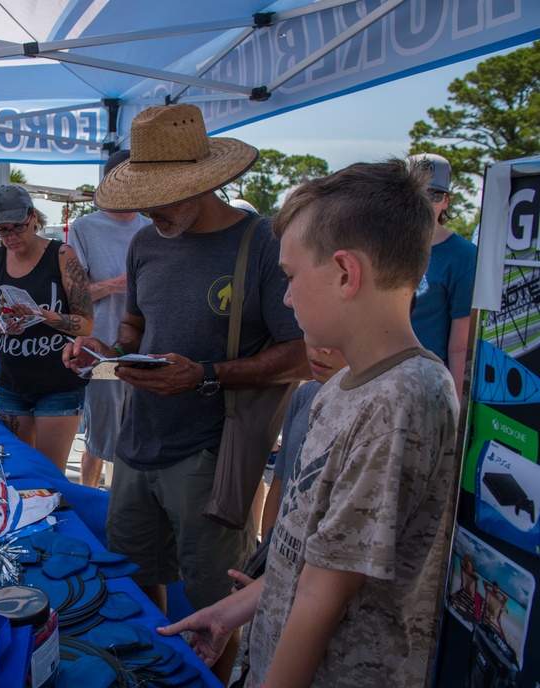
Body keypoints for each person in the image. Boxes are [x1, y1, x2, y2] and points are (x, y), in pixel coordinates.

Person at [159, 159, 459, 688]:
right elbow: (309, 555)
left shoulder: (400, 401)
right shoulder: (341, 387)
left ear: (346, 274)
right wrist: (235, 611)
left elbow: (325, 595)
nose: (286, 296)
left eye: (292, 276)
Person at [62, 103, 307, 683]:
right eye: (143, 195)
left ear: (204, 184)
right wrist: (106, 350)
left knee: (210, 605)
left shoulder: (262, 244)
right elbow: (137, 329)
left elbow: (299, 354)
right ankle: (152, 673)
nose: (148, 208)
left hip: (210, 454)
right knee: (133, 577)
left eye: (163, 194)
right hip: (137, 442)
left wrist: (204, 375)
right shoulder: (147, 242)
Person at [0, 184, 93, 472]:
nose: (11, 237)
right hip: (11, 384)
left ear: (32, 217)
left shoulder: (61, 255)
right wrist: (4, 326)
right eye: (2, 230)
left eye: (17, 226)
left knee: (49, 476)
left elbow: (87, 324)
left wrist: (42, 315)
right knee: (17, 474)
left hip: (59, 384)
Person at [68, 149, 146, 489]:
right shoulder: (85, 228)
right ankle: (91, 502)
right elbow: (76, 296)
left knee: (138, 434)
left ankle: (126, 503)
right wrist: (117, 284)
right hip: (101, 350)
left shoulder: (151, 226)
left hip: (146, 350)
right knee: (99, 437)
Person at [258, 345, 348, 537]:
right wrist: (266, 552)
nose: (322, 347)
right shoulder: (304, 396)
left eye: (337, 336)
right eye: (314, 333)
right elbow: (279, 487)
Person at [407, 153, 477, 385]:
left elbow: (459, 347)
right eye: (414, 193)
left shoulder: (463, 256)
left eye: (433, 194)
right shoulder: (381, 245)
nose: (423, 202)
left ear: (446, 200)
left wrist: (452, 410)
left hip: (426, 383)